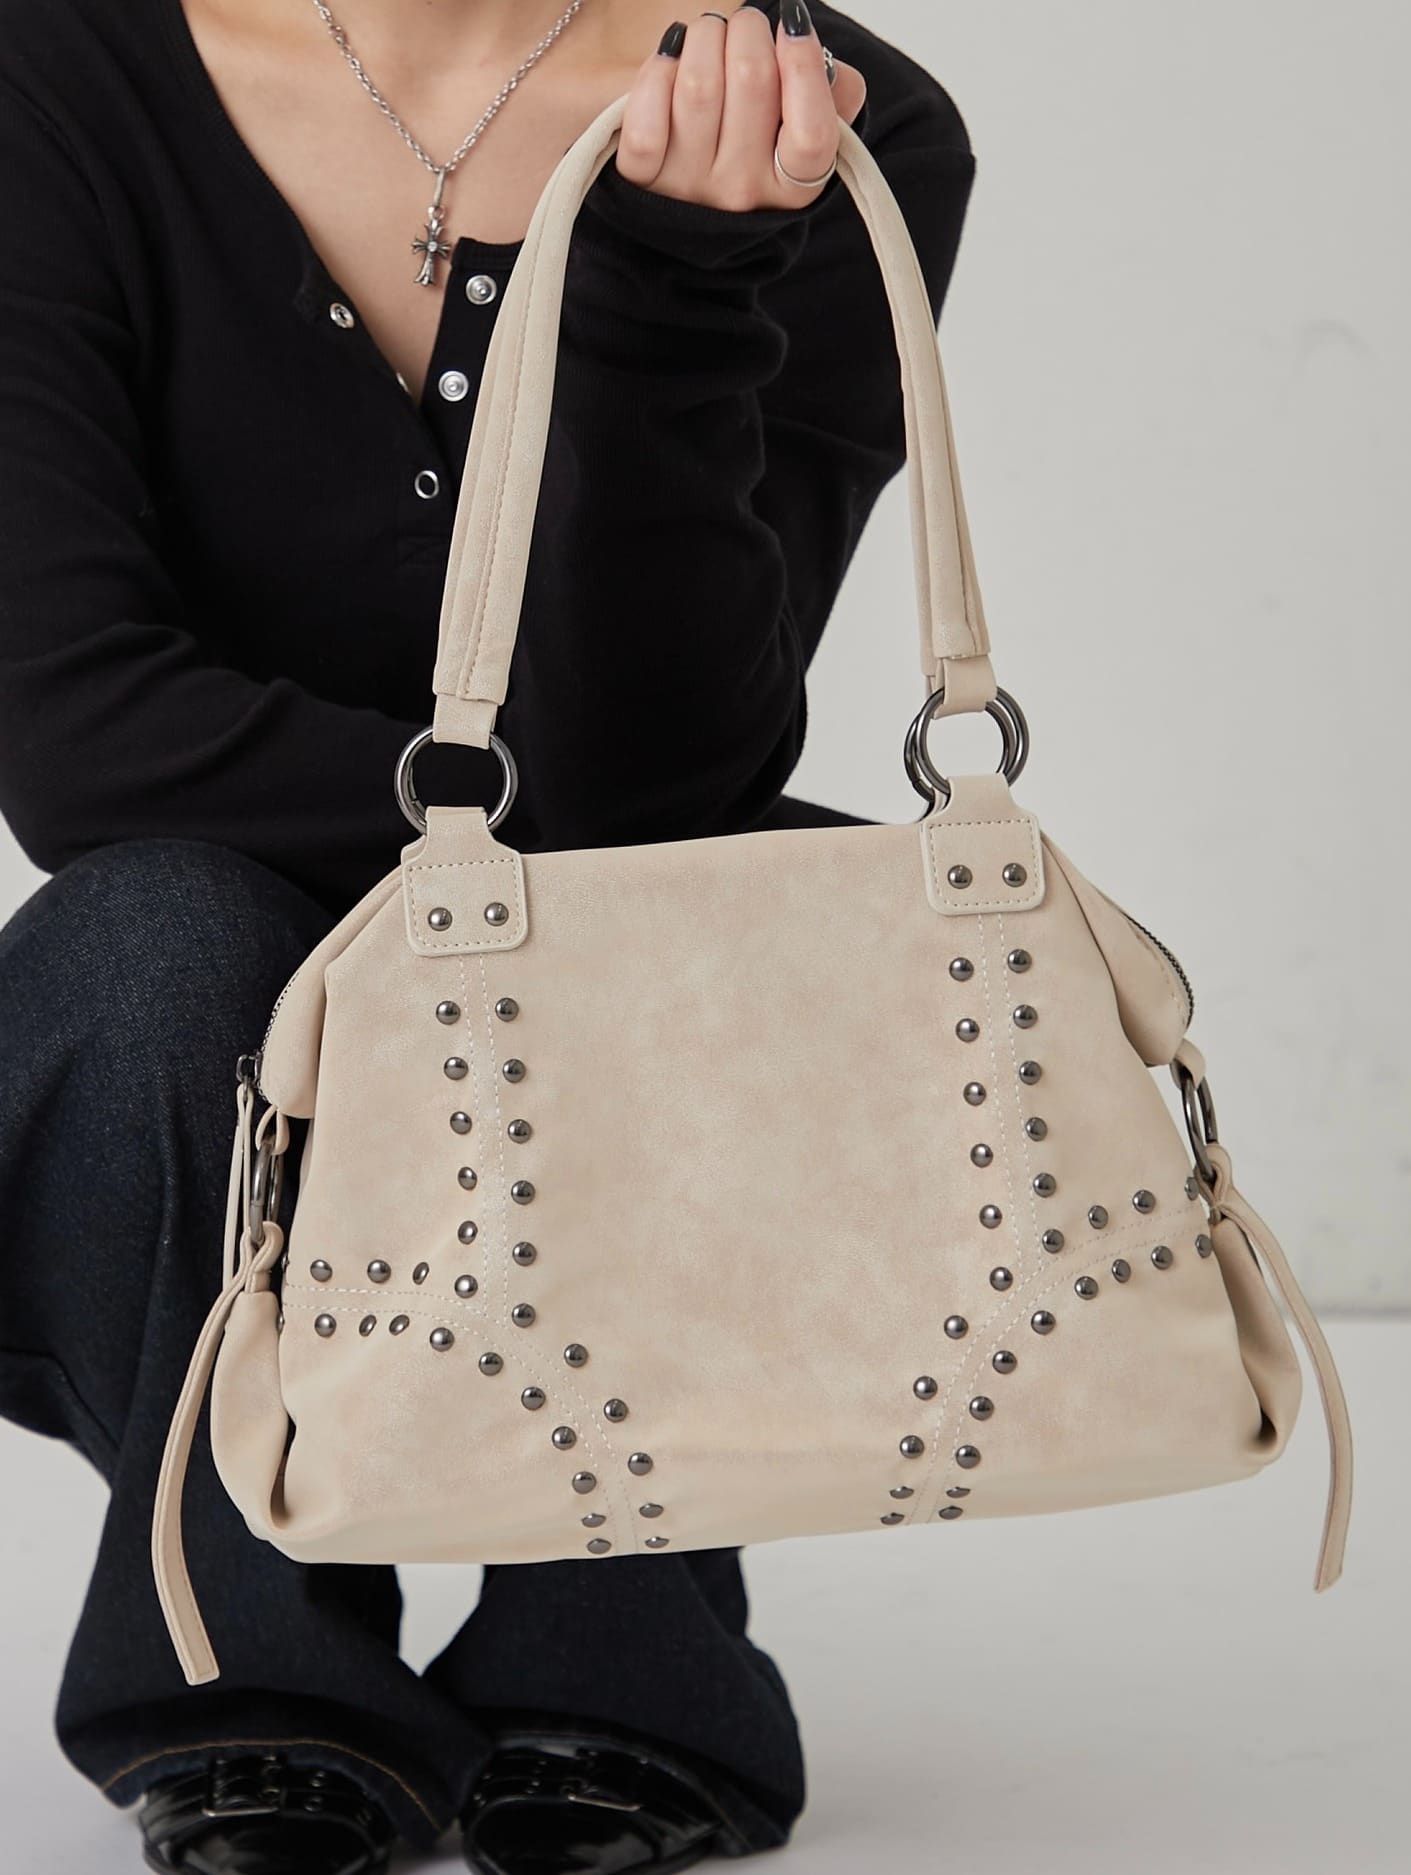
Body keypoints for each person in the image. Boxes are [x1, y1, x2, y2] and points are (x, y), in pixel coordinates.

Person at [0, 0, 977, 1868]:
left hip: (602, 969)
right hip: (192, 1001)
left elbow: (683, 765)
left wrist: (679, 280)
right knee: (159, 944)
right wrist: (507, 838)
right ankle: (244, 1675)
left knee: (692, 924)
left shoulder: (829, 121)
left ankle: (623, 1663)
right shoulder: (48, 82)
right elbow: (80, 736)